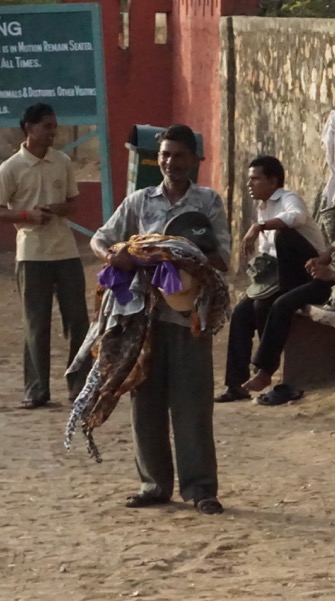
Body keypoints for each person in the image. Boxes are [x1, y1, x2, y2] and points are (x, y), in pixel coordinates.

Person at [90, 124, 231, 515]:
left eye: (180, 155)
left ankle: (201, 489)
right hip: (141, 316)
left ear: (195, 160)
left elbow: (224, 257)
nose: (171, 162)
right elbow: (101, 237)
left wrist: (181, 254)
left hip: (189, 317)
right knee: (145, 402)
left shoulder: (208, 203)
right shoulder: (139, 201)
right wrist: (114, 256)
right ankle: (153, 485)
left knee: (193, 406)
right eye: (165, 155)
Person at [236, 178, 335, 402]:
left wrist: (330, 273)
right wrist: (319, 261)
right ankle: (289, 290)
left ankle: (265, 371)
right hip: (325, 275)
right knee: (285, 235)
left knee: (281, 304)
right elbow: (332, 249)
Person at [215, 155, 327, 402]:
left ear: (273, 180)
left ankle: (264, 370)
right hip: (277, 274)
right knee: (241, 313)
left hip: (305, 271)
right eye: (249, 179)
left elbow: (296, 217)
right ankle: (236, 384)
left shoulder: (288, 199)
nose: (250, 184)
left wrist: (260, 226)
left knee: (282, 238)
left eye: (255, 179)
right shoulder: (263, 206)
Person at [0, 103, 89, 409]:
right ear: (29, 128)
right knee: (35, 325)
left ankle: (80, 387)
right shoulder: (10, 168)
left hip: (65, 252)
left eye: (54, 126)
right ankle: (36, 390)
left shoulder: (61, 161)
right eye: (47, 126)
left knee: (78, 322)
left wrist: (55, 210)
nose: (53, 132)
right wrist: (27, 214)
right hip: (31, 255)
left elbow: (73, 201)